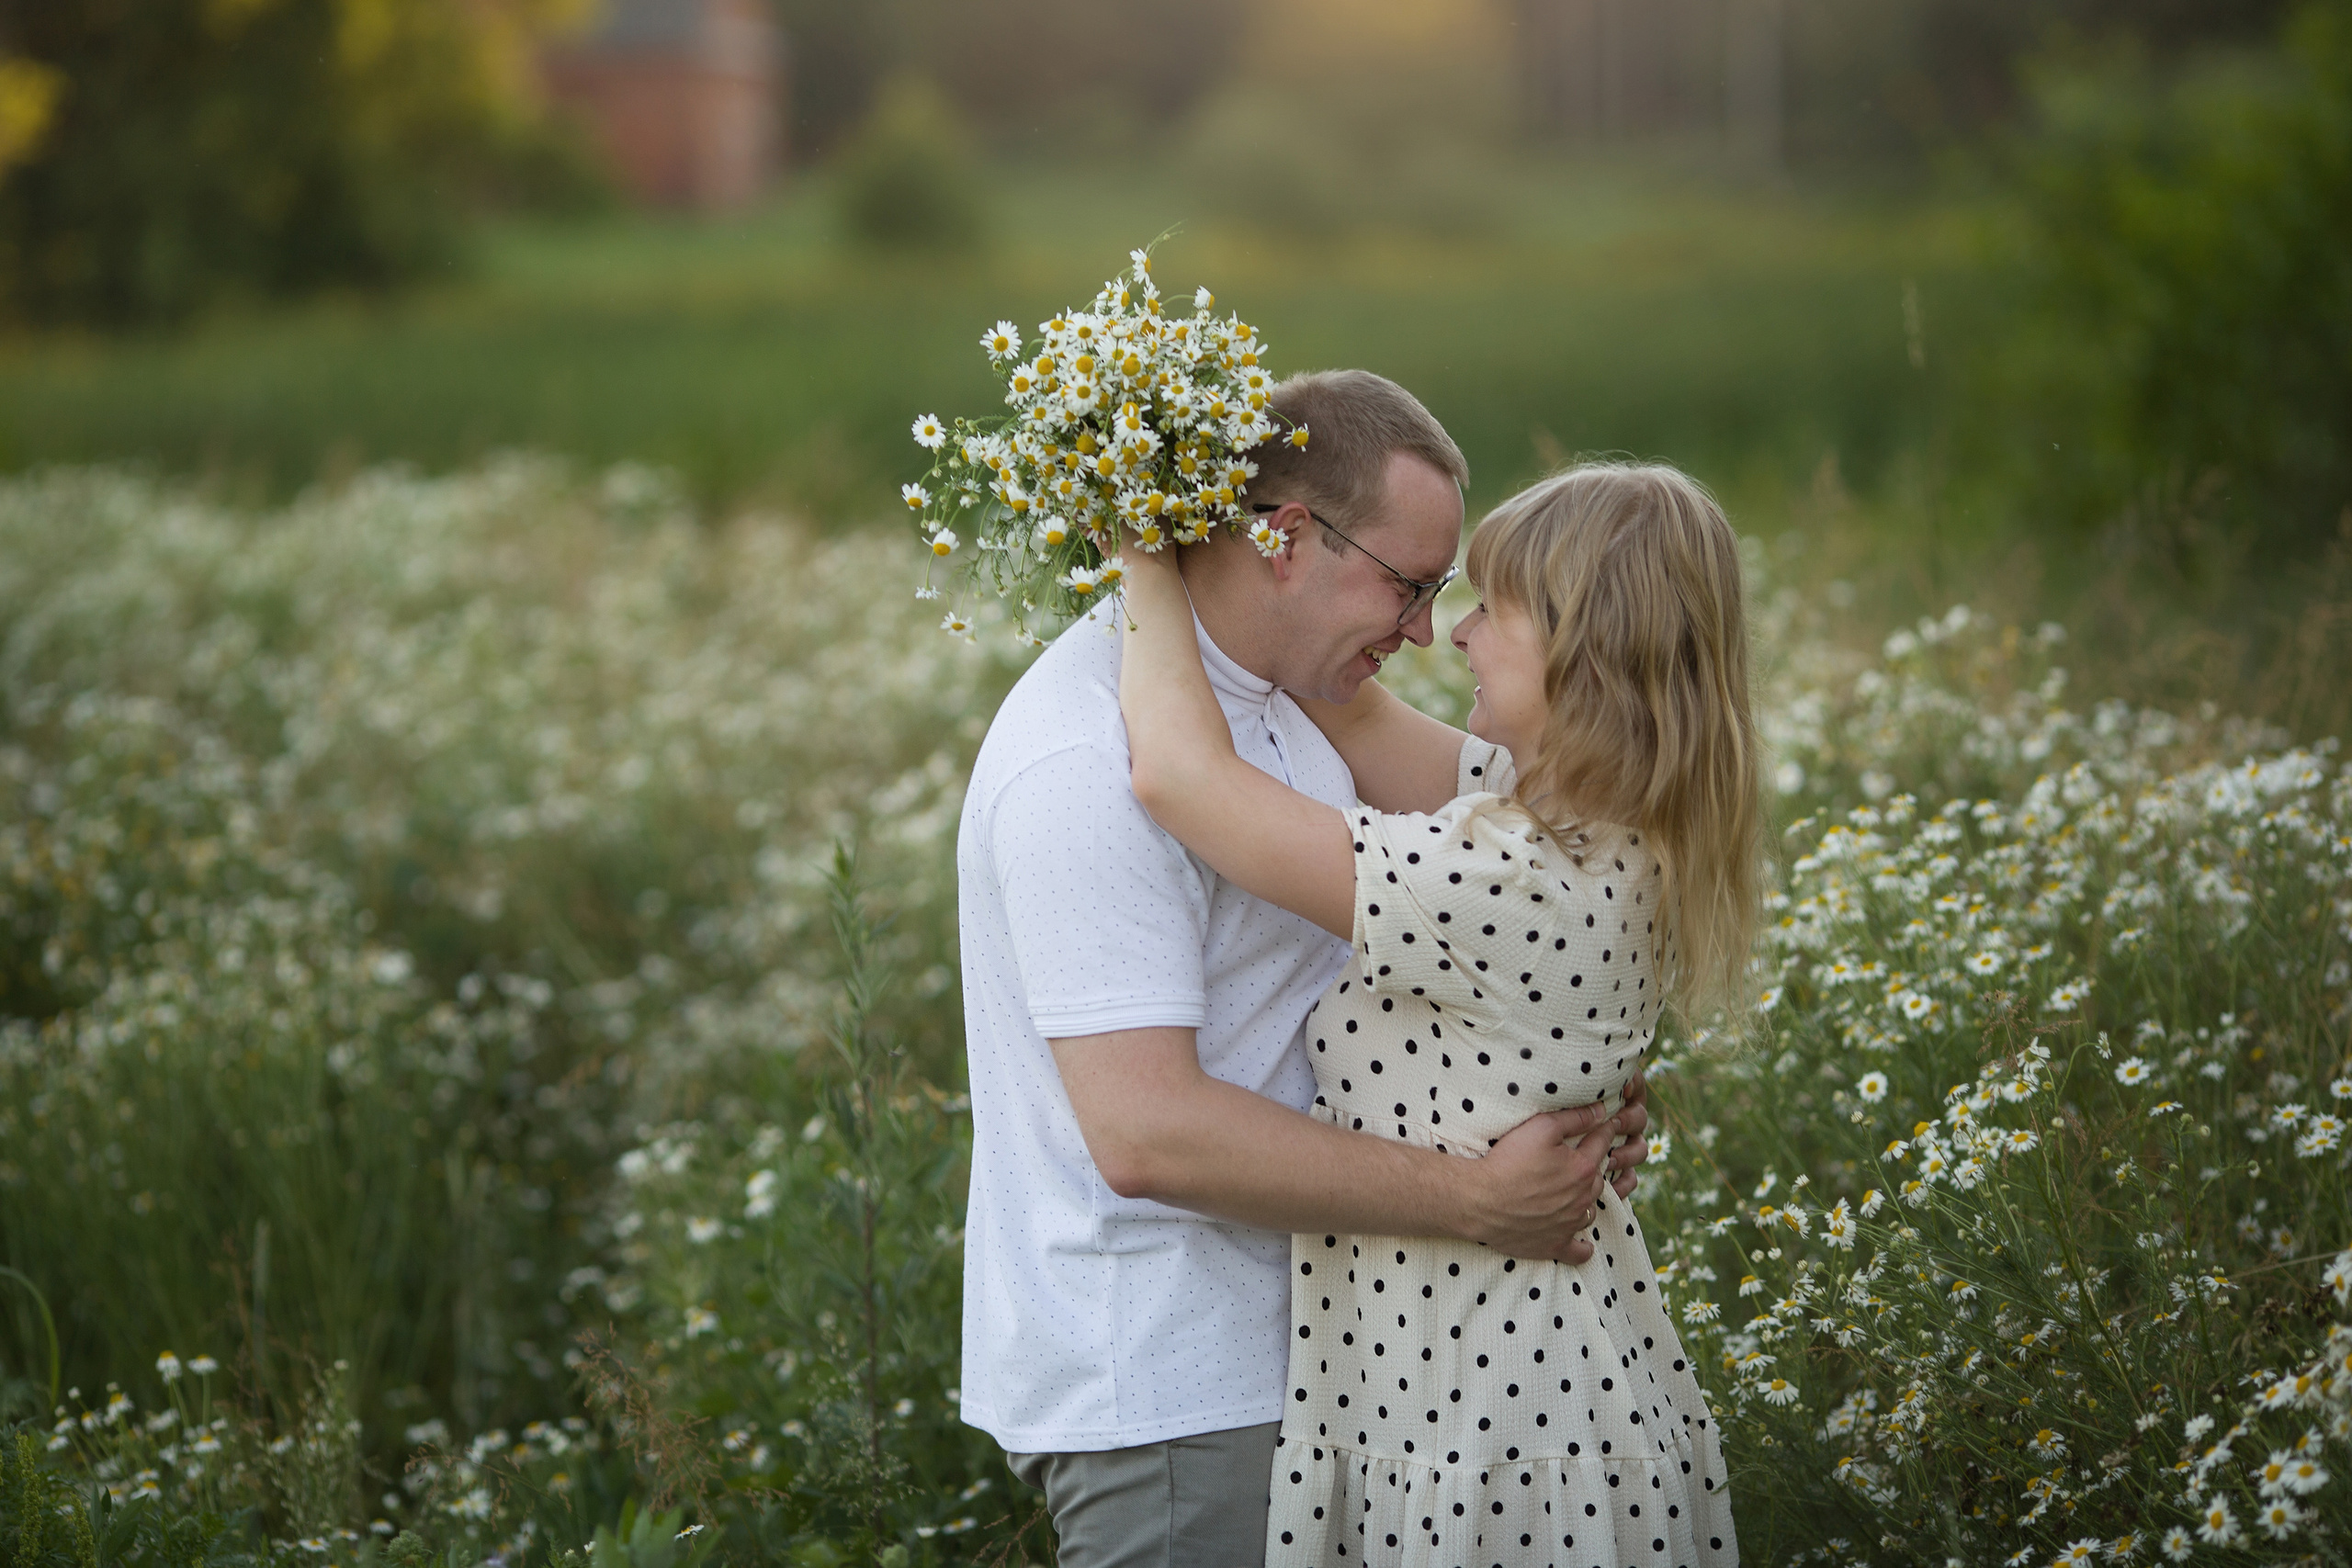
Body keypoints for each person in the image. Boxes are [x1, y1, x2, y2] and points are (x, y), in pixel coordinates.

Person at [955, 370, 1652, 1568]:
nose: (1432, 629)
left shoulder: (1290, 697)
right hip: (1185, 1390)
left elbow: (1518, 888)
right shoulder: (1083, 757)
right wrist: (1480, 1194)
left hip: (1338, 1365)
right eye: (1411, 584)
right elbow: (1147, 1135)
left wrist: (1553, 1093)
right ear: (1281, 535)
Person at [1116, 459, 1759, 1566]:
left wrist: (1135, 542)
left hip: (1495, 1422)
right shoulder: (1586, 830)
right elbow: (1344, 701)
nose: (1448, 635)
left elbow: (1179, 777)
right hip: (1502, 1383)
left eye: (1489, 609)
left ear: (1583, 649)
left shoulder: (1513, 878)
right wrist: (1250, 548)